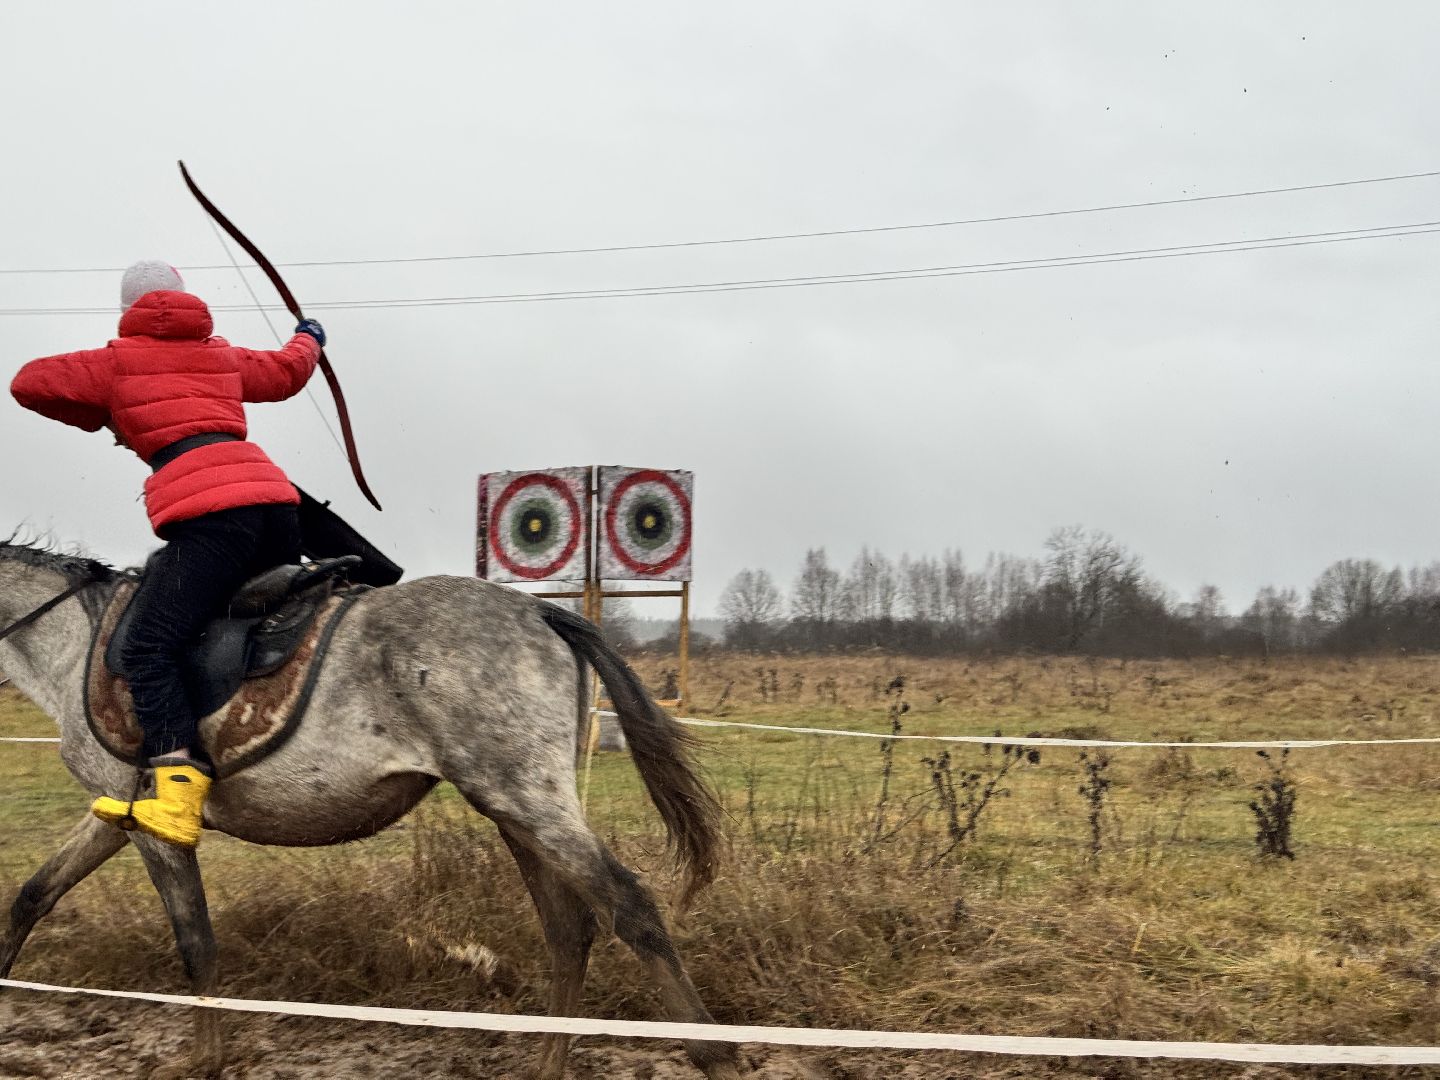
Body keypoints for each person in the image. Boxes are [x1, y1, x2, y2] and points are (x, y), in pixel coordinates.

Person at [10, 260, 326, 846]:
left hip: (214, 518)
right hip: (279, 509)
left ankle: (177, 796)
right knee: (221, 624)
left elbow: (28, 382)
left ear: (127, 307)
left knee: (149, 646)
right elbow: (286, 374)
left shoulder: (116, 361)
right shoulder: (221, 355)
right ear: (186, 301)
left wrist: (102, 408)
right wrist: (308, 337)